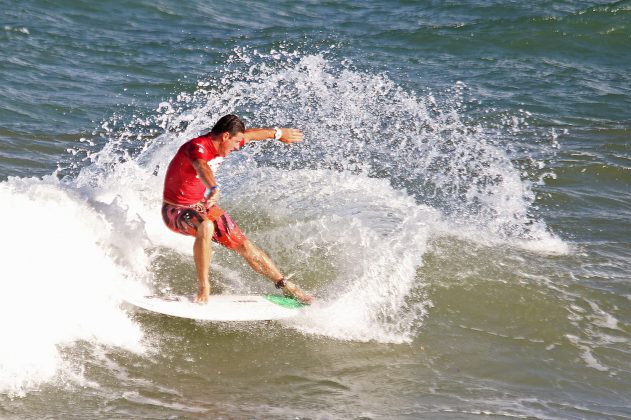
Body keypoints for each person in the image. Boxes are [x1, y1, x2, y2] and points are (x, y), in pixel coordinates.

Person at [161, 114, 313, 304]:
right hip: (175, 210)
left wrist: (278, 133)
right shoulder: (197, 147)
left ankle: (287, 287)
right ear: (225, 136)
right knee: (206, 226)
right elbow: (201, 167)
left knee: (244, 245)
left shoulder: (225, 142)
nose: (236, 147)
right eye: (235, 142)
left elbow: (250, 135)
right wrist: (213, 187)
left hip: (202, 206)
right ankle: (203, 287)